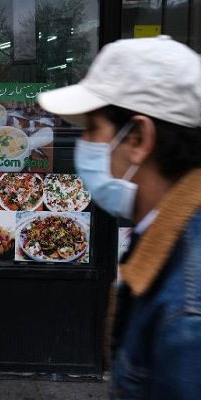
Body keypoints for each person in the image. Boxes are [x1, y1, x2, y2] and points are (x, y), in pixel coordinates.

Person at [37, 36, 201, 399]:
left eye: (92, 128)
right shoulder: (163, 236)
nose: (83, 143)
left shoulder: (188, 315)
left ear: (139, 139)